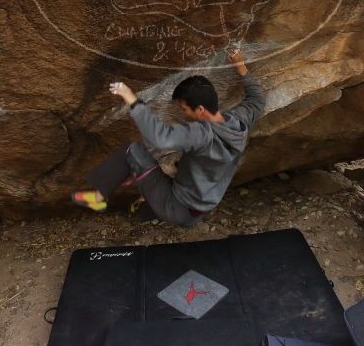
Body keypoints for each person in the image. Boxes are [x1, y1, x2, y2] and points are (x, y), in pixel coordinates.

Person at [70, 48, 266, 227]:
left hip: (178, 206)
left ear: (200, 109)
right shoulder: (238, 122)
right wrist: (240, 66)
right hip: (200, 206)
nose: (183, 114)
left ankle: (98, 197)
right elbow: (257, 99)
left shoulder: (201, 134)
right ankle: (142, 211)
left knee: (132, 151)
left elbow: (160, 138)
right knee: (153, 187)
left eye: (184, 109)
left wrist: (131, 98)